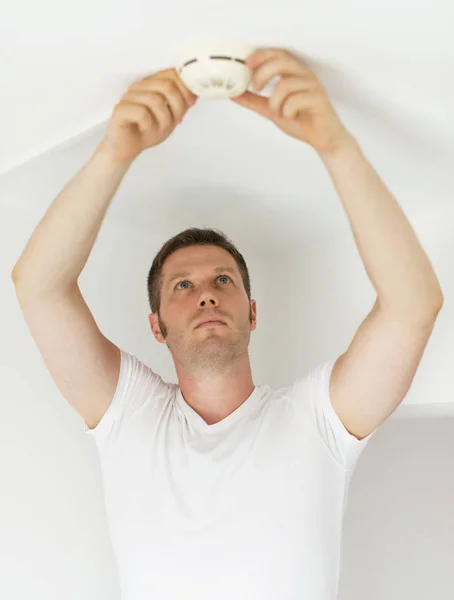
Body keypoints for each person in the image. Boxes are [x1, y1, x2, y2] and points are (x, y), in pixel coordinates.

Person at [12, 48, 443, 600]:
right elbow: (38, 286)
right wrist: (115, 152)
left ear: (252, 311)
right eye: (182, 287)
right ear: (157, 327)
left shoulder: (316, 420)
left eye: (223, 282)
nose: (207, 296)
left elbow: (413, 305)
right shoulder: (132, 418)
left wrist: (335, 146)